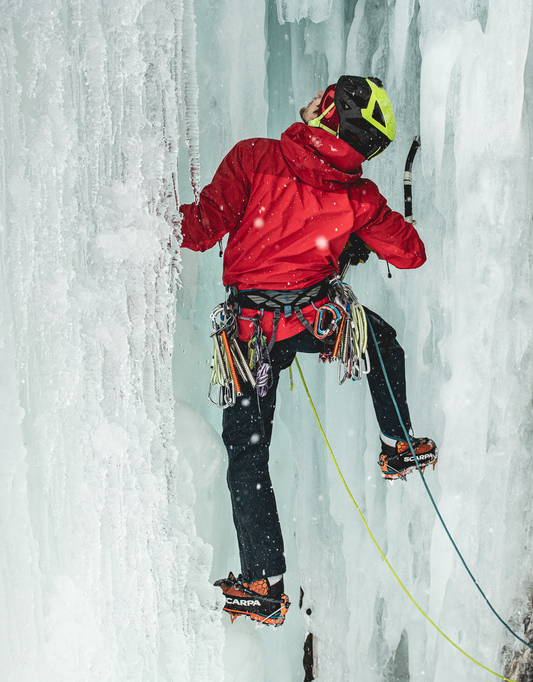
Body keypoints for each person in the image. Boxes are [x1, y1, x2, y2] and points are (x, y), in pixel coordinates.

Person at [179, 76, 437, 626]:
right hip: (313, 322)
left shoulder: (256, 159)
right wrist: (372, 229)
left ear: (327, 111)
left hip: (250, 338)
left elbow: (201, 230)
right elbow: (411, 255)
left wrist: (146, 214)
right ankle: (398, 443)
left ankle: (263, 581)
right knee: (381, 341)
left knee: (249, 452)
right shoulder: (359, 197)